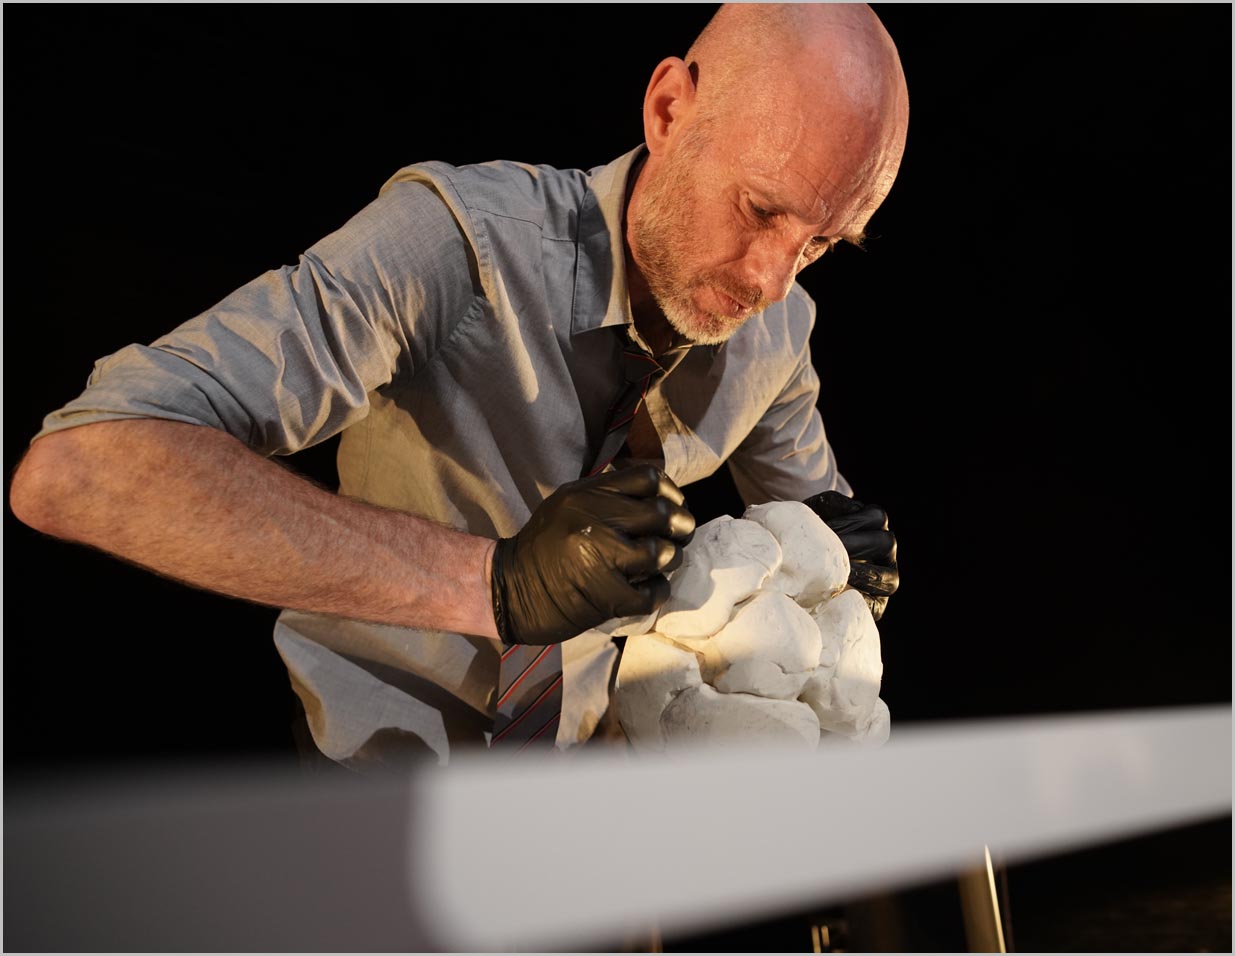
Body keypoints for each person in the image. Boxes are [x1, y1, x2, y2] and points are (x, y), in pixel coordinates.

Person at [8, 3, 907, 770]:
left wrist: (844, 571)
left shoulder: (778, 332)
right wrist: (492, 583)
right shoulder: (458, 243)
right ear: (669, 108)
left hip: (590, 805)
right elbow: (81, 469)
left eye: (820, 244)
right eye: (758, 209)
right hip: (362, 792)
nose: (770, 280)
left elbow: (814, 556)